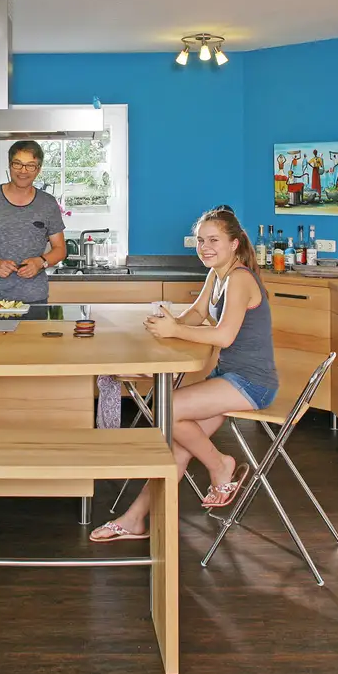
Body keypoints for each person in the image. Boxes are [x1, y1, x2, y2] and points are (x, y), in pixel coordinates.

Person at [89, 206, 279, 542]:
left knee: (168, 407)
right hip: (228, 377)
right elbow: (196, 313)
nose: (205, 247)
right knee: (177, 448)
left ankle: (220, 465)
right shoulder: (217, 275)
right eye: (201, 240)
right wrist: (169, 323)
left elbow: (224, 336)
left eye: (214, 240)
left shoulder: (239, 278)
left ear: (234, 243)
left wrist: (175, 331)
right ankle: (134, 520)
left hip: (251, 383)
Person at [0, 141, 67, 304]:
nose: (23, 171)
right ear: (10, 164)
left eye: (30, 165)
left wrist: (40, 262)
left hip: (34, 299)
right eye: (18, 164)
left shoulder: (48, 204)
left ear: (38, 169)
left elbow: (60, 249)